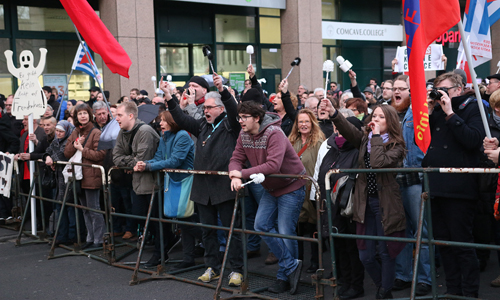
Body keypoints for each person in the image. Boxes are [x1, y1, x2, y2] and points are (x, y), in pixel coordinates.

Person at [160, 72, 244, 287]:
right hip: (202, 187)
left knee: (231, 230)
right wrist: (169, 96)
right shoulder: (202, 126)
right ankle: (212, 267)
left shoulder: (230, 125)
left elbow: (234, 110)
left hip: (224, 186)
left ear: (220, 109)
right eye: (204, 108)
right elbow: (181, 118)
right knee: (207, 231)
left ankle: (236, 269)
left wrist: (223, 91)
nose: (205, 111)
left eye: (209, 108)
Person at [322, 98, 406, 299]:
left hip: (384, 203)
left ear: (390, 121)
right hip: (364, 202)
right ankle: (381, 286)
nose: (375, 119)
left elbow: (377, 162)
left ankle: (384, 291)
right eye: (374, 115)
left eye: (381, 117)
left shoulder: (397, 145)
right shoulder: (365, 139)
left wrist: (375, 136)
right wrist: (334, 113)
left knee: (385, 252)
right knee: (366, 255)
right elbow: (348, 129)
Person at [229, 101, 306, 295]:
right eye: (239, 117)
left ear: (256, 118)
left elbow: (273, 165)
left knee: (285, 230)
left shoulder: (275, 133)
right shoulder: (243, 134)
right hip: (270, 188)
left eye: (244, 117)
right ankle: (291, 265)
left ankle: (284, 278)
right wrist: (233, 174)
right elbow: (236, 158)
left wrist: (242, 173)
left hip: (291, 185)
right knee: (261, 225)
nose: (240, 121)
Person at [423, 72, 484, 298]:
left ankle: (469, 294)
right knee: (443, 245)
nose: (440, 95)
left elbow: (473, 140)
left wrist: (450, 112)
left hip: (460, 189)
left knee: (462, 246)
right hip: (436, 186)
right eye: (437, 90)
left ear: (458, 90)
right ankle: (452, 291)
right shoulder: (435, 111)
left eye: (445, 90)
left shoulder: (472, 107)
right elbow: (423, 142)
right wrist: (429, 112)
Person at [134, 110, 202, 270]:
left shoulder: (182, 136)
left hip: (185, 182)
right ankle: (189, 257)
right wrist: (144, 163)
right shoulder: (166, 137)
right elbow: (159, 158)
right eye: (160, 120)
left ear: (173, 121)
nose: (160, 123)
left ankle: (214, 244)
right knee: (183, 221)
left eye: (163, 120)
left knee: (187, 221)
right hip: (173, 181)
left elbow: (175, 161)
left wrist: (148, 165)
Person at [311, 112, 365, 300]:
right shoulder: (332, 148)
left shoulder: (358, 150)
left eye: (342, 129)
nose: (338, 133)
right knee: (338, 245)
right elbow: (321, 174)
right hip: (331, 205)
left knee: (351, 247)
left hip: (348, 206)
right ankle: (342, 278)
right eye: (336, 129)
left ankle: (356, 285)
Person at [389, 75, 432, 296]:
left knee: (421, 231)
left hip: (414, 178)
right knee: (401, 230)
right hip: (394, 180)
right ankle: (403, 275)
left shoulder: (417, 113)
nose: (396, 92)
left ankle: (425, 279)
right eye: (394, 88)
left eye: (401, 88)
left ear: (411, 91)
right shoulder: (387, 114)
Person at [113, 101, 161, 246]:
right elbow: (116, 157)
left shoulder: (144, 131)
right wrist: (131, 161)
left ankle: (161, 248)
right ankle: (154, 242)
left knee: (154, 218)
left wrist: (130, 161)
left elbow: (142, 159)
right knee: (140, 215)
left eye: (120, 115)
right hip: (138, 183)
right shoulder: (122, 132)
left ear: (131, 115)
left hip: (153, 183)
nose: (116, 118)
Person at [64, 103, 106, 249]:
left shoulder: (96, 133)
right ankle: (90, 238)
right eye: (79, 114)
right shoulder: (75, 131)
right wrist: (76, 144)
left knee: (94, 209)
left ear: (90, 115)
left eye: (85, 113)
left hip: (91, 175)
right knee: (85, 210)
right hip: (78, 176)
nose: (82, 116)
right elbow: (66, 153)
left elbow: (100, 155)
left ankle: (99, 240)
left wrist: (82, 149)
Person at [288, 109, 324, 273]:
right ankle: (298, 261)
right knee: (297, 229)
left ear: (312, 123)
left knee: (314, 229)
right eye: (300, 121)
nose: (303, 124)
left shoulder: (319, 141)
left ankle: (316, 263)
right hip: (295, 191)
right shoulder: (291, 141)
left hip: (313, 191)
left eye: (306, 121)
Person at [44, 120, 77, 245]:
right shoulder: (55, 141)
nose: (58, 133)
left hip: (67, 178)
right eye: (57, 131)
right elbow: (49, 150)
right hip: (59, 179)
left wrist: (51, 159)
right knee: (60, 207)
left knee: (69, 209)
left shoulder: (69, 140)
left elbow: (62, 155)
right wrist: (48, 156)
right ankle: (62, 235)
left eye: (61, 131)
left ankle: (72, 236)